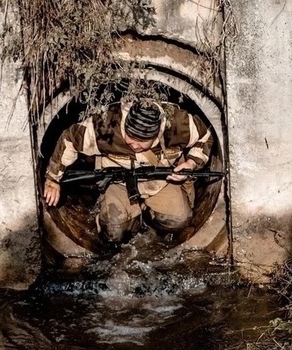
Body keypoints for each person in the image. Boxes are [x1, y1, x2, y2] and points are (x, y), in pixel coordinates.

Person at [43, 99, 214, 244]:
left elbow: (205, 136)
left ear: (156, 134)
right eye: (130, 138)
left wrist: (191, 163)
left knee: (179, 220)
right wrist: (53, 178)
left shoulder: (178, 124)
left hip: (161, 180)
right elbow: (70, 139)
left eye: (142, 142)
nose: (134, 145)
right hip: (117, 181)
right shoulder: (105, 126)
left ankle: (148, 216)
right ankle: (129, 219)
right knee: (113, 232)